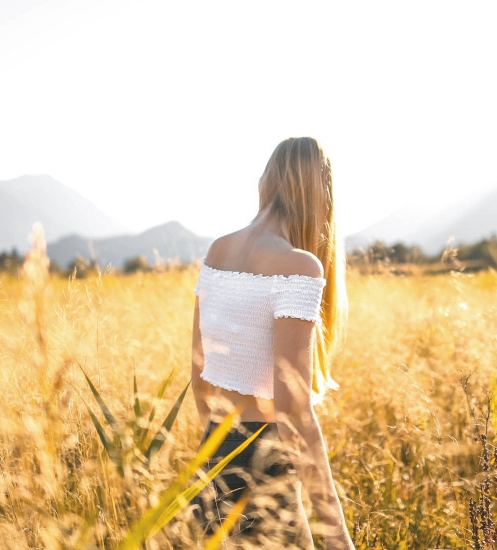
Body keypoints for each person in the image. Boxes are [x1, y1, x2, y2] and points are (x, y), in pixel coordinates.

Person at [189, 136, 354, 549]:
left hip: (213, 459)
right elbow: (293, 411)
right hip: (266, 470)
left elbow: (199, 373)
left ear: (267, 182)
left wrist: (216, 458)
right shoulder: (300, 266)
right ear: (323, 194)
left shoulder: (218, 251)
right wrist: (337, 536)